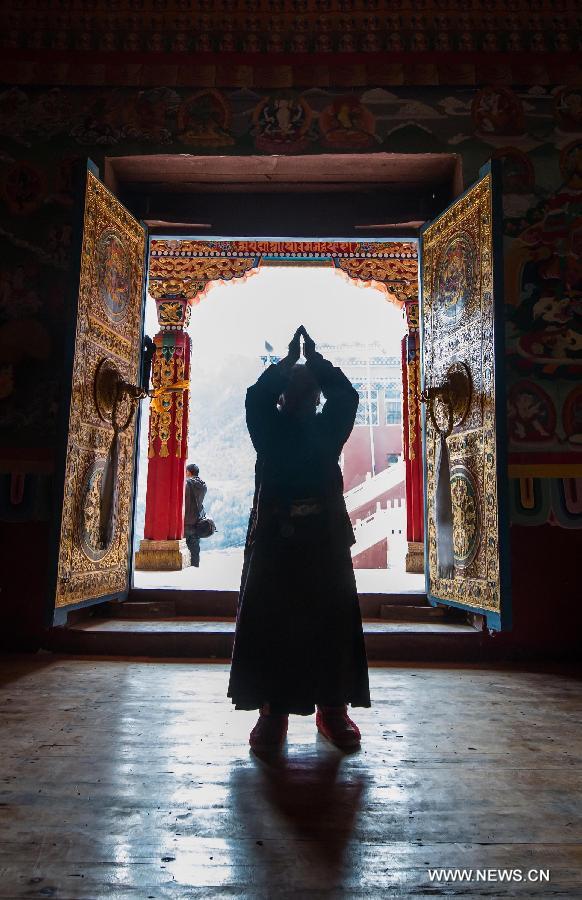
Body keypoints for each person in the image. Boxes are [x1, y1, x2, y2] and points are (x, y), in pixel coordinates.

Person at [227, 326, 370, 751]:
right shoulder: (269, 432)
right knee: (273, 625)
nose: (302, 395)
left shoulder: (327, 433)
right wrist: (290, 364)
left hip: (323, 541)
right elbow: (255, 398)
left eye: (310, 391)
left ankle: (332, 710)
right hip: (275, 541)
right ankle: (273, 713)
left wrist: (315, 364)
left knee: (332, 624)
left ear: (316, 399)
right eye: (294, 389)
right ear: (283, 398)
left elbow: (346, 398)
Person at [184, 463, 207, 567]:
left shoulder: (187, 484)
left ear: (189, 472)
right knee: (195, 550)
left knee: (184, 551)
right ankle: (195, 569)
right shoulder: (203, 486)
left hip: (186, 522)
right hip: (197, 523)